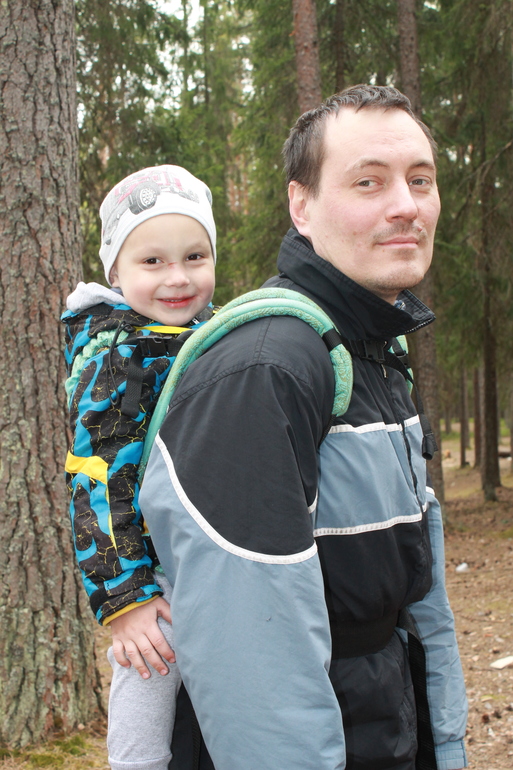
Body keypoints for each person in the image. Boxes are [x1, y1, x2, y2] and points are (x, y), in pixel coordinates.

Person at [140, 86, 468, 770]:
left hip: (380, 721)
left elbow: (415, 600)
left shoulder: (372, 348)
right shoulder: (266, 370)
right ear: (301, 205)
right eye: (368, 182)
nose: (406, 206)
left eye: (419, 180)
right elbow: (252, 667)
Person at [62, 164, 217, 770]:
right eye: (152, 261)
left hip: (208, 559)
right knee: (150, 664)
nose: (177, 277)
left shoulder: (210, 334)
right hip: (151, 576)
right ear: (116, 272)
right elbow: (95, 479)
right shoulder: (119, 354)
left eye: (195, 256)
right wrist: (125, 599)